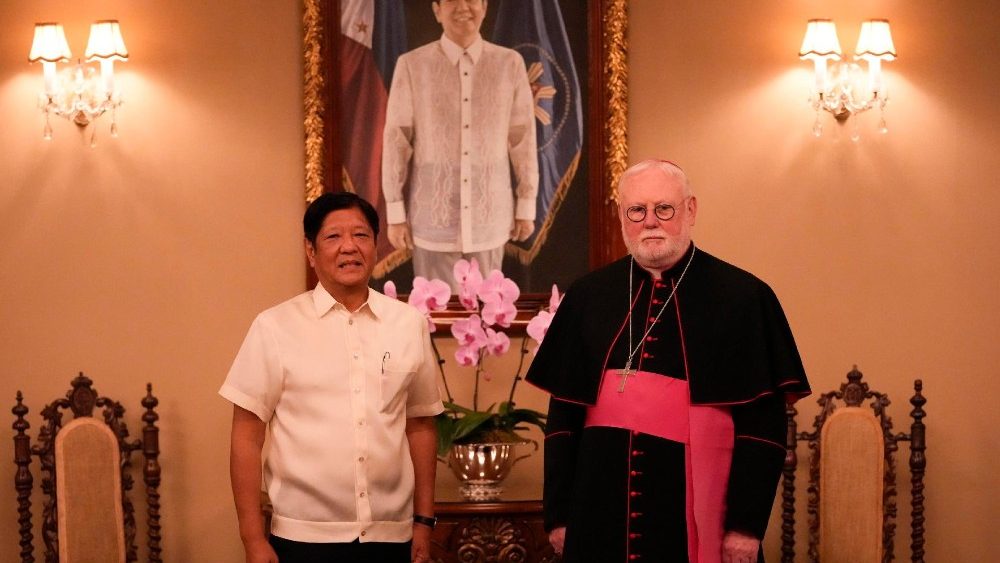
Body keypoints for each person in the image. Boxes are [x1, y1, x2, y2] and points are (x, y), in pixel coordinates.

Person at [525, 159, 811, 563]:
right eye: (636, 210)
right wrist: (558, 516)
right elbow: (563, 421)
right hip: (599, 512)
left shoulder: (744, 298)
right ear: (621, 215)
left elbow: (763, 429)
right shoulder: (588, 297)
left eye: (664, 208)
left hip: (688, 513)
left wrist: (745, 527)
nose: (650, 222)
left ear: (690, 210)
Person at [220, 192, 444, 563]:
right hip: (302, 539)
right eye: (333, 237)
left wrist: (423, 521)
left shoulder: (408, 324)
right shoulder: (274, 327)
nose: (349, 247)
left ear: (375, 245)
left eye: (360, 235)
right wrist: (252, 538)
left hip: (391, 537)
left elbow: (420, 425)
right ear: (311, 251)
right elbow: (247, 435)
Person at [382, 0, 539, 290]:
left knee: (489, 313)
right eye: (452, 0)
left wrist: (526, 206)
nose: (463, 7)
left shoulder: (509, 64)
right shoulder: (413, 65)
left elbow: (523, 138)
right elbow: (396, 141)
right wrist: (395, 214)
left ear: (485, 6)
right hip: (432, 220)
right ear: (436, 10)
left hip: (489, 218)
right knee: (434, 314)